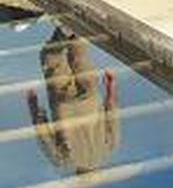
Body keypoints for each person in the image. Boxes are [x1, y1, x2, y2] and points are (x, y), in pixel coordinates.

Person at [29, 26, 120, 175]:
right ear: (78, 173)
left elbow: (113, 116)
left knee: (80, 56)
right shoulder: (63, 162)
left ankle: (76, 26)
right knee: (52, 59)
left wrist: (111, 87)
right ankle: (64, 31)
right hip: (65, 106)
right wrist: (34, 107)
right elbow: (44, 136)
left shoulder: (108, 150)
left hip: (90, 98)